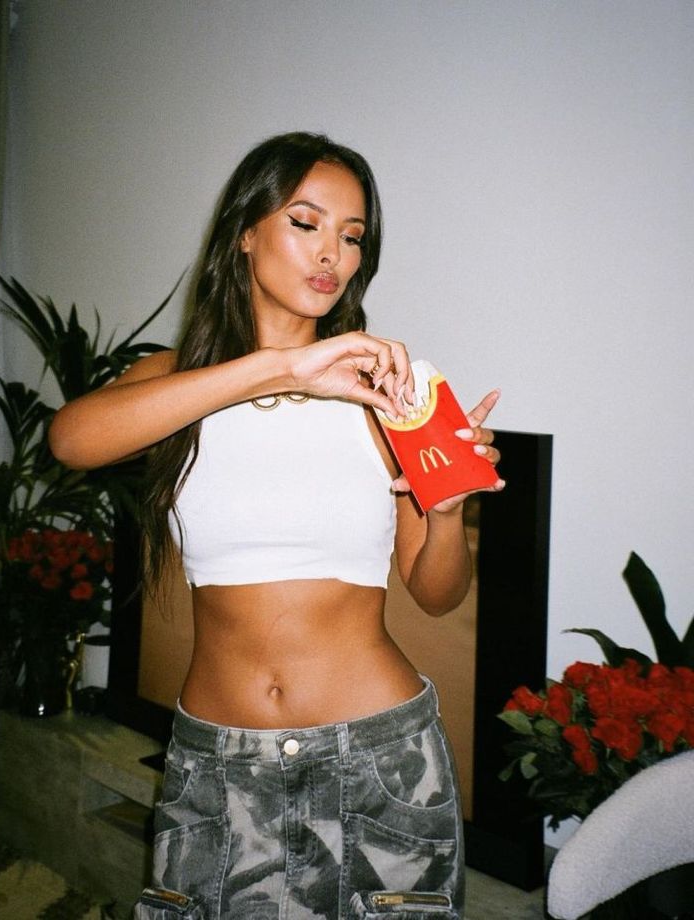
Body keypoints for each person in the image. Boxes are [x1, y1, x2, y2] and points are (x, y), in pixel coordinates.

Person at [49, 132, 503, 920]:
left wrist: (448, 509)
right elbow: (72, 439)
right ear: (245, 231)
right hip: (219, 767)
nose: (332, 253)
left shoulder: (387, 392)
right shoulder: (177, 379)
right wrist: (282, 367)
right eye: (306, 222)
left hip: (379, 760)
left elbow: (435, 593)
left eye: (352, 236)